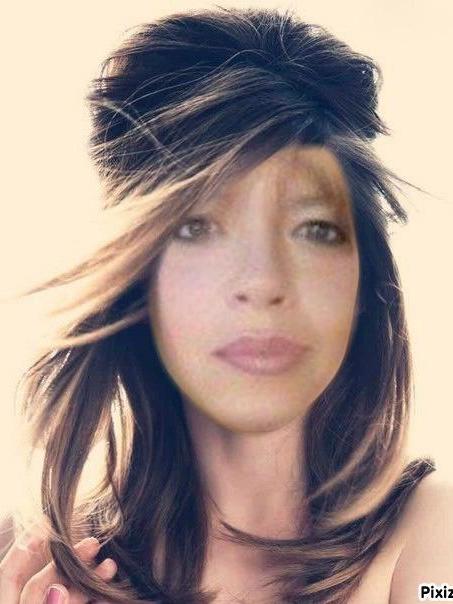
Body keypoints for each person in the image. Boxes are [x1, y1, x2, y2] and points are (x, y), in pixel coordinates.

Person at [0, 5, 452, 603]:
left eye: (313, 229)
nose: (262, 283)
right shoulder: (25, 565)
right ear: (136, 279)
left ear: (364, 286)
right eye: (201, 229)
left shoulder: (433, 544)